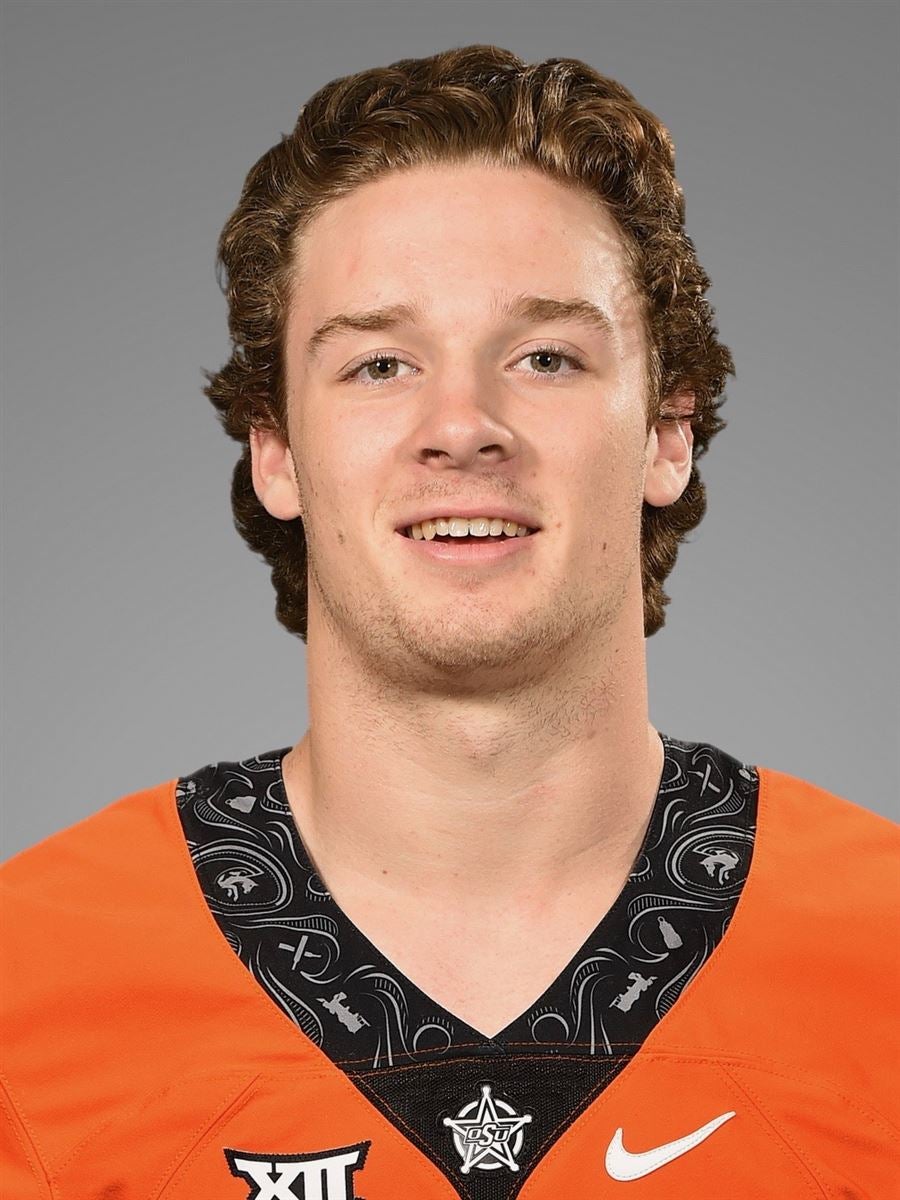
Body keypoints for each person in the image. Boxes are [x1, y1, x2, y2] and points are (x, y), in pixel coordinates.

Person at [1, 44, 897, 1200]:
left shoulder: (881, 954)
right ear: (276, 451)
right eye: (381, 364)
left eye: (546, 357)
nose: (463, 424)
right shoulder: (28, 979)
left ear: (666, 433)